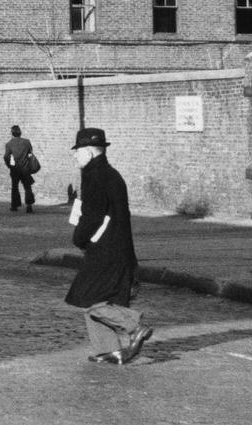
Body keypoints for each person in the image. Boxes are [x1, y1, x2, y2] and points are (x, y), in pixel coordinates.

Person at [65, 127, 153, 364]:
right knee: (96, 299)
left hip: (105, 250)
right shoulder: (111, 175)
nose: (75, 155)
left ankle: (134, 326)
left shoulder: (96, 177)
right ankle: (107, 350)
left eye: (78, 151)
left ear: (91, 152)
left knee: (89, 299)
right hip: (117, 248)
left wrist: (79, 238)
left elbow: (92, 217)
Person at [3, 125, 36, 213]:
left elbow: (6, 157)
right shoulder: (26, 142)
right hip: (25, 168)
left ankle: (15, 205)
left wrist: (9, 165)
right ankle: (29, 206)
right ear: (19, 132)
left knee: (15, 187)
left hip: (15, 169)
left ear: (12, 133)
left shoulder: (9, 144)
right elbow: (30, 152)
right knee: (27, 187)